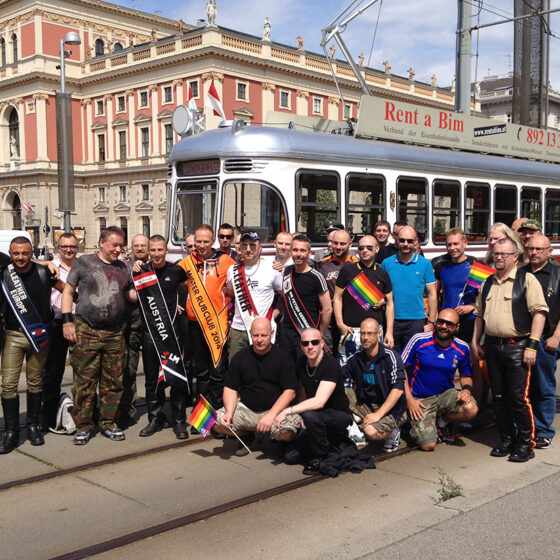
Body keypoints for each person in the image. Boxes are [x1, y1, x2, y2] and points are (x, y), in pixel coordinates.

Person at [472, 238, 548, 462]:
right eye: (496, 253)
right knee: (498, 397)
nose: (499, 257)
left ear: (515, 256)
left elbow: (539, 313)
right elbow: (478, 316)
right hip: (493, 347)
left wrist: (532, 346)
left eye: (504, 254)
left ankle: (526, 444)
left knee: (518, 398)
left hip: (518, 347)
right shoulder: (487, 282)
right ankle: (506, 439)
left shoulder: (527, 280)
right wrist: (476, 342)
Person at [62, 226, 137, 445]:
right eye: (114, 245)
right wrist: (68, 322)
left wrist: (147, 288)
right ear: (102, 243)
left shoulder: (124, 267)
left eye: (121, 245)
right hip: (87, 330)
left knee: (113, 381)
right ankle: (83, 426)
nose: (118, 249)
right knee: (84, 381)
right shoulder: (84, 263)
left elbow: (129, 294)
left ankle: (108, 423)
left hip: (115, 333)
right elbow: (68, 292)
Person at [0, 237, 58, 453]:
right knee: (8, 385)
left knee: (35, 382)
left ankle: (32, 426)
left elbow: (68, 290)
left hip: (39, 335)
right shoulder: (4, 273)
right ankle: (11, 431)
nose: (21, 257)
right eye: (16, 254)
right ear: (10, 253)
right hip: (13, 336)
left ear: (32, 252)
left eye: (25, 253)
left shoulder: (44, 273)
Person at [215, 318, 301, 455]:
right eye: (255, 335)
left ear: (272, 334)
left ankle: (276, 438)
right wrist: (229, 412)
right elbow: (230, 388)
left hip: (276, 411)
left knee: (288, 432)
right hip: (248, 410)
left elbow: (290, 392)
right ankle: (245, 436)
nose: (259, 339)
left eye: (264, 335)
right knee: (215, 421)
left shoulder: (284, 357)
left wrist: (271, 415)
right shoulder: (240, 358)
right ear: (250, 334)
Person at [274, 328, 352, 475]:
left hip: (338, 414)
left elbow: (319, 401)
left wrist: (287, 411)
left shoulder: (330, 364)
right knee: (290, 457)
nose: (310, 346)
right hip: (316, 415)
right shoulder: (302, 362)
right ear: (301, 346)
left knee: (311, 416)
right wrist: (304, 412)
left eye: (314, 342)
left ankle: (320, 456)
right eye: (306, 343)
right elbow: (301, 388)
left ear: (322, 343)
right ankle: (326, 443)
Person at [134, 235, 191, 439]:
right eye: (153, 250)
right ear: (149, 251)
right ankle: (155, 419)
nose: (156, 254)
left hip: (173, 333)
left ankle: (178, 421)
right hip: (150, 333)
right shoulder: (141, 271)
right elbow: (130, 294)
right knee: (152, 380)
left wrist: (180, 304)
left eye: (160, 250)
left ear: (166, 251)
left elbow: (187, 289)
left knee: (175, 377)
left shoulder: (176, 271)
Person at [402, 309, 478, 451]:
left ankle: (442, 423)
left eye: (449, 324)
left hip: (444, 396)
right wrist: (410, 400)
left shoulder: (462, 348)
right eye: (441, 321)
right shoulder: (419, 340)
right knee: (428, 446)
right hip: (420, 400)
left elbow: (466, 376)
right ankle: (414, 422)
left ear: (457, 327)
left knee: (471, 408)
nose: (443, 326)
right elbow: (400, 371)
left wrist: (467, 390)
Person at [178, 224, 235, 410]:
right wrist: (141, 264)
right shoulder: (187, 262)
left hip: (217, 325)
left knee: (218, 372)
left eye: (205, 241)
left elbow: (245, 276)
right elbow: (166, 276)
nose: (201, 245)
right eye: (198, 241)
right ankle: (204, 419)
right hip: (195, 324)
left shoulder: (226, 260)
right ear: (194, 242)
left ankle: (218, 416)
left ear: (213, 241)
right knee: (201, 373)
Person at [342, 318, 406, 452]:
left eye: (370, 333)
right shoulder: (357, 358)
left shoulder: (390, 356)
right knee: (340, 390)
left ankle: (393, 432)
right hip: (368, 404)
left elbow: (398, 389)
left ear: (378, 334)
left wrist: (378, 414)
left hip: (391, 409)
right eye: (363, 333)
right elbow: (338, 375)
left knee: (370, 432)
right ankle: (353, 426)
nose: (365, 337)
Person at [521, 234, 559, 449]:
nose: (533, 252)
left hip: (546, 340)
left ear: (549, 251)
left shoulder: (557, 275)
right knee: (523, 388)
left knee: (543, 386)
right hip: (521, 339)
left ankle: (544, 430)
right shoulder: (520, 273)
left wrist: (556, 337)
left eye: (538, 249)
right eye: (530, 248)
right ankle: (525, 427)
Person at [334, 235, 394, 363]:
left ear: (377, 249)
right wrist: (340, 323)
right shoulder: (347, 270)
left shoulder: (383, 274)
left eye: (369, 247)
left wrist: (389, 332)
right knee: (346, 374)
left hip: (375, 333)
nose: (364, 250)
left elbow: (390, 304)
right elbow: (337, 298)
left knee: (373, 372)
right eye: (361, 248)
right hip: (350, 331)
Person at [41, 233, 79, 431]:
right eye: (64, 246)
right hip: (57, 325)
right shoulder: (50, 267)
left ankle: (83, 413)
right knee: (53, 373)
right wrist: (45, 262)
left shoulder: (83, 267)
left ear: (77, 248)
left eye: (72, 246)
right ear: (58, 247)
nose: (68, 250)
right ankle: (48, 415)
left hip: (79, 324)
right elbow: (23, 260)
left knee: (83, 373)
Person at [226, 231, 282, 359]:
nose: (248, 249)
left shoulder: (272, 269)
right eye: (244, 246)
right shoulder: (232, 271)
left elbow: (284, 296)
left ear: (259, 248)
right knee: (236, 369)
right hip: (238, 331)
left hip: (262, 332)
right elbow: (230, 294)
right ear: (239, 248)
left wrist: (273, 315)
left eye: (252, 245)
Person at [381, 225, 437, 352]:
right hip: (392, 321)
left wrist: (432, 323)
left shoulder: (425, 264)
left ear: (416, 241)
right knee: (392, 358)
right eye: (402, 240)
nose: (405, 244)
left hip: (416, 321)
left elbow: (432, 294)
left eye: (410, 241)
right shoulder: (386, 263)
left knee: (414, 360)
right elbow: (380, 292)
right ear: (396, 240)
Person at [278, 234, 332, 358]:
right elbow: (283, 299)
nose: (298, 254)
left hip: (307, 334)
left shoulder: (317, 277)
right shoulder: (286, 272)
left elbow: (327, 309)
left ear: (309, 253)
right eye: (295, 250)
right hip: (286, 334)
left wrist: (319, 334)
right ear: (291, 251)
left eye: (302, 250)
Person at [117, 234, 149, 429]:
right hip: (131, 327)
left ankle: (157, 411)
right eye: (136, 245)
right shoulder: (123, 267)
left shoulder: (157, 264)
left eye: (143, 245)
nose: (139, 248)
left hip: (153, 328)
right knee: (128, 372)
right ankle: (127, 412)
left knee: (155, 374)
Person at [316, 229, 358, 350]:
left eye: (342, 243)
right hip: (328, 325)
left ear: (350, 244)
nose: (338, 247)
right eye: (335, 243)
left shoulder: (358, 264)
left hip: (349, 324)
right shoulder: (320, 264)